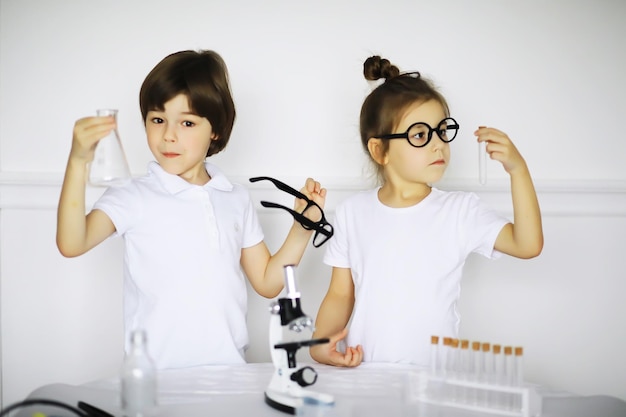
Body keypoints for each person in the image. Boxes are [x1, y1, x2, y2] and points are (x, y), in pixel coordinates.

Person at [56, 50, 326, 369]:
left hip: (229, 371)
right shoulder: (133, 195)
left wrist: (301, 228)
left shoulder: (234, 198)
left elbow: (268, 282)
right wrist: (77, 162)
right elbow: (72, 243)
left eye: (186, 122)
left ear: (215, 130)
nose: (169, 135)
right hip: (154, 375)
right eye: (158, 120)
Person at [310, 55, 543, 367]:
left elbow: (527, 245)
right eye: (420, 135)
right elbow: (340, 294)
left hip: (434, 382)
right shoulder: (353, 213)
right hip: (366, 374)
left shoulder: (460, 211)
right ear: (380, 150)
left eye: (442, 131)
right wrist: (320, 343)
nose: (438, 145)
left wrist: (518, 171)